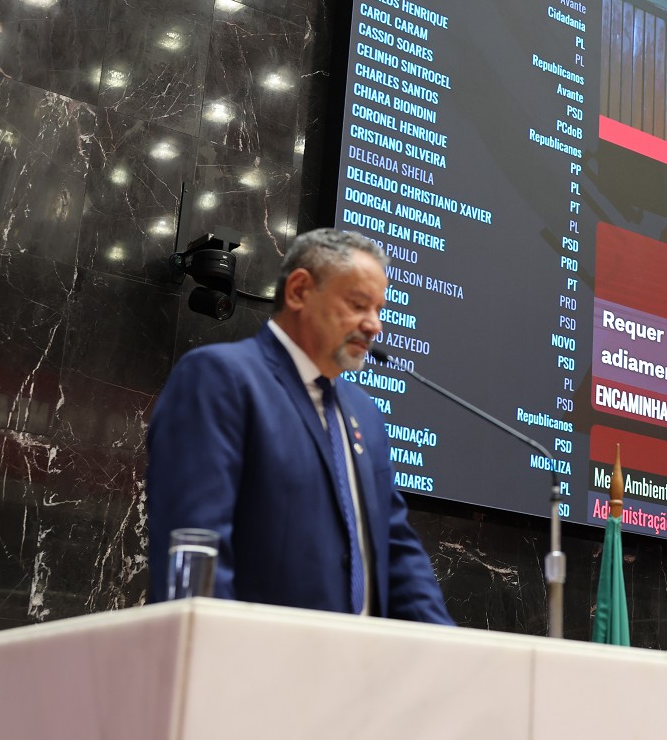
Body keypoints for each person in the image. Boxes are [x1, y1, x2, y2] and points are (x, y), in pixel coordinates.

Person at [147, 228, 454, 624]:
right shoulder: (221, 379)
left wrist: (446, 645)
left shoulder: (365, 412)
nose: (374, 325)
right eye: (359, 305)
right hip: (259, 656)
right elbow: (197, 543)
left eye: (379, 309)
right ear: (299, 291)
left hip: (360, 657)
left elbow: (395, 546)